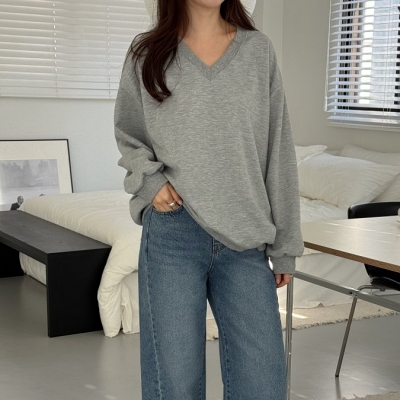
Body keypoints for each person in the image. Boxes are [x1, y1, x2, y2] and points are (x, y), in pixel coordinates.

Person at [114, 0, 304, 399]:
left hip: (246, 240)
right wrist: (150, 182)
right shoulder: (147, 53)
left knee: (264, 384)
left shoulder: (258, 51)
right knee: (175, 385)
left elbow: (279, 150)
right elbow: (130, 135)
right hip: (173, 235)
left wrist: (285, 246)